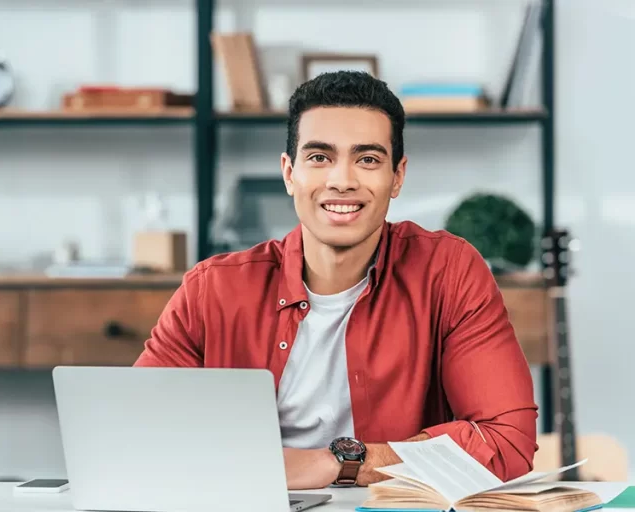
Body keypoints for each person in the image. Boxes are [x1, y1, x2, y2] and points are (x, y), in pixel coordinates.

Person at [134, 71, 538, 490]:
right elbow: (136, 432)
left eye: (367, 159)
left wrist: (342, 463)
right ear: (289, 173)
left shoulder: (448, 272)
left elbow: (507, 440)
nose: (342, 181)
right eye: (319, 157)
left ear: (397, 176)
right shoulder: (210, 290)